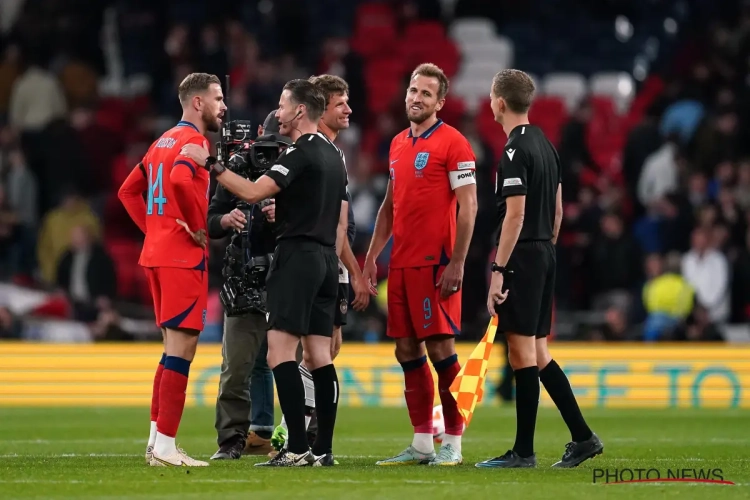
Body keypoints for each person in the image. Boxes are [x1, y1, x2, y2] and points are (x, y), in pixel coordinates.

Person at [180, 79, 348, 467]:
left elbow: (254, 192)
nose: (280, 112)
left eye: (283, 105)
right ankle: (323, 449)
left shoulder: (301, 151)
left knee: (278, 354)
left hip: (298, 258)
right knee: (320, 356)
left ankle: (295, 448)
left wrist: (211, 164)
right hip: (326, 259)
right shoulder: (334, 154)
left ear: (300, 111)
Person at [477, 69, 602, 469]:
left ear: (499, 102)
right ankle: (582, 437)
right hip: (545, 251)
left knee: (520, 351)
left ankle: (523, 452)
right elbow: (559, 210)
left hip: (525, 253)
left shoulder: (514, 150)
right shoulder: (547, 146)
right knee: (539, 351)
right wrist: (544, 249)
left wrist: (499, 267)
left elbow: (515, 215)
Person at [364, 63, 478, 466]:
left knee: (441, 351)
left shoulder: (454, 144)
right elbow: (389, 208)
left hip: (437, 265)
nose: (416, 98)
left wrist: (458, 263)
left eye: (426, 94)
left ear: (440, 102)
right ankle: (422, 442)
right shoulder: (396, 144)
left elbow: (469, 207)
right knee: (406, 351)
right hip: (401, 266)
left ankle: (454, 443)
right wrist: (370, 259)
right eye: (413, 90)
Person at [118, 72, 227, 467]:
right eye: (217, 98)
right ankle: (166, 447)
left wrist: (154, 229)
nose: (223, 105)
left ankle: (155, 442)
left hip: (157, 254)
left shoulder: (160, 140)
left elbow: (128, 191)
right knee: (182, 351)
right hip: (182, 258)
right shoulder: (195, 142)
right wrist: (198, 226)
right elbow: (182, 178)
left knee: (169, 352)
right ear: (197, 102)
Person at [269, 74, 374, 455]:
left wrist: (353, 274)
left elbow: (339, 226)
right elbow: (339, 226)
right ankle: (308, 442)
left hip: (312, 258)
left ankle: (300, 441)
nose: (348, 109)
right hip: (328, 261)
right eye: (340, 103)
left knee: (319, 351)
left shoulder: (321, 153)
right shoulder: (321, 152)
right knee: (319, 353)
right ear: (320, 109)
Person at [208, 110, 283, 460]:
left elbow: (326, 217)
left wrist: (285, 214)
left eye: (280, 148)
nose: (273, 155)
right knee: (237, 365)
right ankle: (231, 439)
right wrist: (225, 218)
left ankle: (299, 437)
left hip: (288, 276)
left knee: (294, 364)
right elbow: (210, 220)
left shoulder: (305, 164)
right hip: (245, 276)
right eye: (267, 148)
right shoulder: (238, 165)